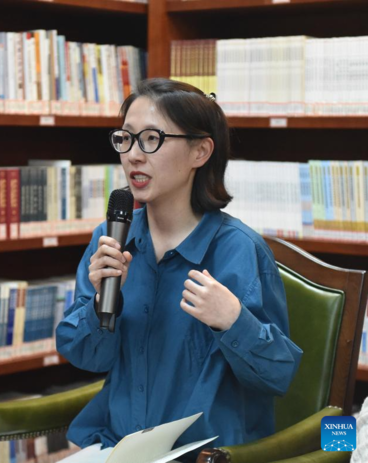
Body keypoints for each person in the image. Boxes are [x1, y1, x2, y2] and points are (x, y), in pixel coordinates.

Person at [55, 78, 303, 463]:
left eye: (151, 139)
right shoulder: (110, 240)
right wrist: (102, 304)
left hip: (207, 456)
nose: (133, 156)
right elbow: (89, 358)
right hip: (118, 448)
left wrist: (233, 321)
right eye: (125, 139)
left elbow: (278, 376)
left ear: (200, 151)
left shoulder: (239, 250)